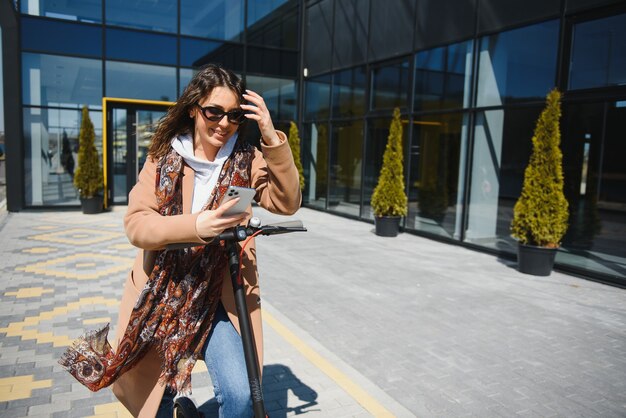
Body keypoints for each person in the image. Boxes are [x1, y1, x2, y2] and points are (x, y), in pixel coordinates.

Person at [59, 64, 301, 418]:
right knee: (155, 403)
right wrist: (198, 225)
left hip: (220, 296)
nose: (223, 123)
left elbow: (287, 201)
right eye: (213, 112)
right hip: (165, 296)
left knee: (241, 395)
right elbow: (137, 226)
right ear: (193, 108)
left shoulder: (246, 160)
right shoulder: (163, 158)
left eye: (233, 115)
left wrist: (270, 135)